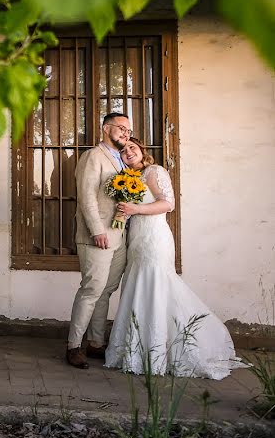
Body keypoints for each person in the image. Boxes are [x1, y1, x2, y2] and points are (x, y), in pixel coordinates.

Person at [104, 138, 246, 379]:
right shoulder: (127, 178)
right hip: (137, 238)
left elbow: (167, 204)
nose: (128, 152)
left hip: (154, 238)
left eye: (133, 148)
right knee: (138, 285)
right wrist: (123, 213)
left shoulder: (154, 171)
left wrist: (135, 209)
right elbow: (130, 210)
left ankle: (159, 351)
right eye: (124, 150)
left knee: (157, 284)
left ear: (142, 151)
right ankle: (137, 348)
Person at [66, 112, 133, 369]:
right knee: (91, 290)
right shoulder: (93, 156)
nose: (126, 133)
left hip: (118, 236)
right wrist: (96, 230)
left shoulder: (121, 160)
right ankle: (73, 346)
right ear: (106, 128)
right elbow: (86, 196)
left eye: (128, 130)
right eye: (121, 128)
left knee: (106, 290)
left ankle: (95, 344)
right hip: (98, 236)